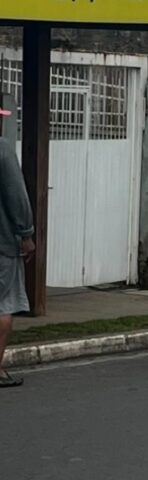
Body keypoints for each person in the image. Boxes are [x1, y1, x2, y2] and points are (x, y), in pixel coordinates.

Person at [0, 107, 35, 387]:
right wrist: (26, 233)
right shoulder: (2, 150)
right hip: (2, 243)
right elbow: (16, 195)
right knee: (3, 305)